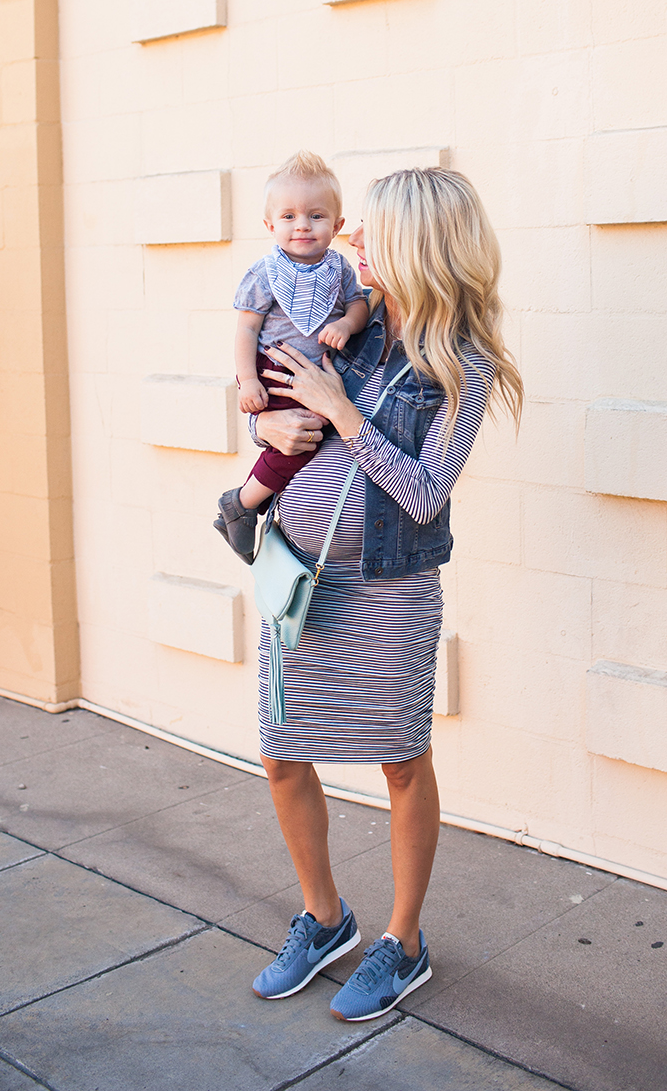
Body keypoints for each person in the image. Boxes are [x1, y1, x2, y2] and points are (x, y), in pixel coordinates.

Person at [246, 166, 523, 1021]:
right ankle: (324, 919)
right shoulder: (344, 326)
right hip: (301, 576)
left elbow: (425, 492)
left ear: (419, 245)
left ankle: (403, 942)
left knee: (401, 763)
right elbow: (263, 389)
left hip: (390, 591)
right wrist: (262, 422)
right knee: (283, 754)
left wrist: (343, 410)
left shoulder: (462, 367)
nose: (353, 239)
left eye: (374, 229)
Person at [214, 151, 368, 563]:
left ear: (337, 226)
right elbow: (246, 330)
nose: (302, 225)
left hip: (318, 375)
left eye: (316, 216)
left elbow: (358, 307)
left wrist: (348, 325)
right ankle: (243, 503)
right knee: (299, 440)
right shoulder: (265, 273)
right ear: (269, 225)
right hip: (277, 371)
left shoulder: (340, 269)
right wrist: (248, 382)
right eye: (288, 217)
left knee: (303, 439)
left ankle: (245, 506)